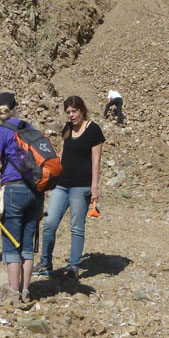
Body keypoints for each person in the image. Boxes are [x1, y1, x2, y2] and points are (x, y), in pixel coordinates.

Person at [33, 96, 105, 280]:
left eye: (74, 111)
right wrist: (51, 179)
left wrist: (94, 186)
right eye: (68, 112)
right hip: (62, 184)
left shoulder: (93, 130)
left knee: (76, 227)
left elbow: (96, 160)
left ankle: (74, 265)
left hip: (82, 186)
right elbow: (62, 154)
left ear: (82, 110)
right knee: (49, 223)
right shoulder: (67, 128)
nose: (71, 115)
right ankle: (45, 262)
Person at [0, 92, 44, 304]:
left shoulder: (0, 132)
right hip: (36, 191)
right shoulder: (30, 128)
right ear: (16, 107)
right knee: (27, 244)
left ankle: (12, 293)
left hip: (14, 190)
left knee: (11, 242)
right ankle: (26, 291)